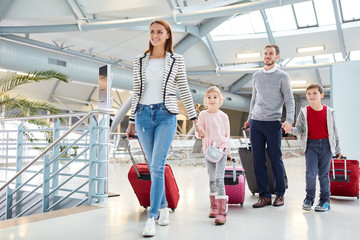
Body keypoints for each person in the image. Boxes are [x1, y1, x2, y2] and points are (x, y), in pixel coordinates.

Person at [126, 20, 204, 237]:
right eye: (152, 32)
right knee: (152, 167)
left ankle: (152, 217)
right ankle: (162, 206)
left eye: (159, 32)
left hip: (165, 115)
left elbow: (185, 91)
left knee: (158, 166)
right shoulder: (139, 60)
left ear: (168, 35)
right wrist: (131, 121)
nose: (155, 35)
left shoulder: (176, 60)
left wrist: (195, 121)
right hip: (142, 116)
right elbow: (136, 92)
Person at [244, 44, 295, 208]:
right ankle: (264, 196)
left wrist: (289, 120)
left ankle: (280, 194)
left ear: (277, 56)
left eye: (271, 54)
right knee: (258, 160)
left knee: (275, 159)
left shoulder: (283, 76)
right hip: (256, 122)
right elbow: (253, 98)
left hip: (273, 122)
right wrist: (249, 117)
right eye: (265, 53)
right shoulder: (256, 76)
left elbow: (289, 100)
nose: (267, 56)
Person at [291, 83, 342, 212]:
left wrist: (338, 150)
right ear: (306, 96)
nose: (311, 96)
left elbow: (335, 131)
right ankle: (309, 198)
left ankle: (325, 201)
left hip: (326, 146)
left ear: (322, 95)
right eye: (309, 93)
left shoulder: (329, 112)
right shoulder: (304, 112)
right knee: (310, 173)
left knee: (323, 175)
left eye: (314, 93)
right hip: (311, 146)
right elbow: (300, 129)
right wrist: (290, 129)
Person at [196, 86, 231, 225]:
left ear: (219, 99)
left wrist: (227, 152)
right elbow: (198, 133)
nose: (212, 100)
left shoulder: (224, 116)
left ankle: (222, 212)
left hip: (221, 151)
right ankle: (214, 207)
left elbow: (227, 135)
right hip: (208, 152)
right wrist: (200, 132)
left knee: (219, 179)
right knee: (211, 179)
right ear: (206, 99)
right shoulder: (202, 115)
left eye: (215, 97)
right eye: (209, 97)